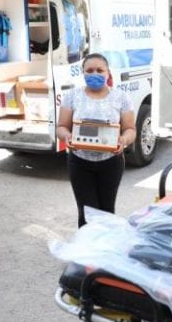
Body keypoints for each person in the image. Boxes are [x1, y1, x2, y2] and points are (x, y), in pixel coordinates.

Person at [56, 53, 136, 227]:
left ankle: (104, 251)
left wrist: (124, 140)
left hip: (111, 163)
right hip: (79, 163)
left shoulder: (121, 97)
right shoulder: (72, 96)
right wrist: (66, 136)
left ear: (108, 73)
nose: (95, 74)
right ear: (83, 73)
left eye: (100, 70)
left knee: (107, 212)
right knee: (86, 213)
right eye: (89, 70)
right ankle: (86, 251)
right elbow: (61, 126)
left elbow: (130, 129)